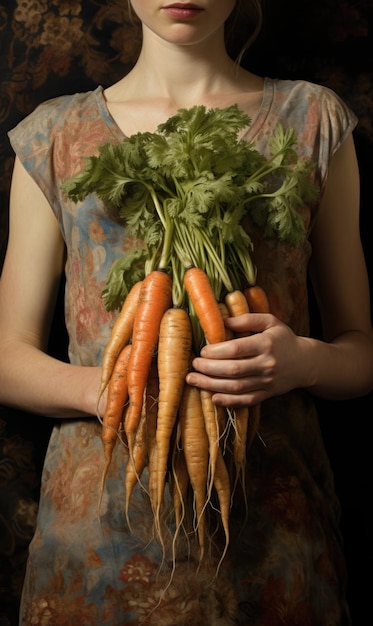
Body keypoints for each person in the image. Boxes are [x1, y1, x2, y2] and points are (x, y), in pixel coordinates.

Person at [0, 1, 372, 624]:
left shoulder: (311, 120)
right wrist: (116, 389)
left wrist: (302, 361)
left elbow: (361, 354)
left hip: (274, 536)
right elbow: (7, 358)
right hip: (96, 543)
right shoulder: (56, 135)